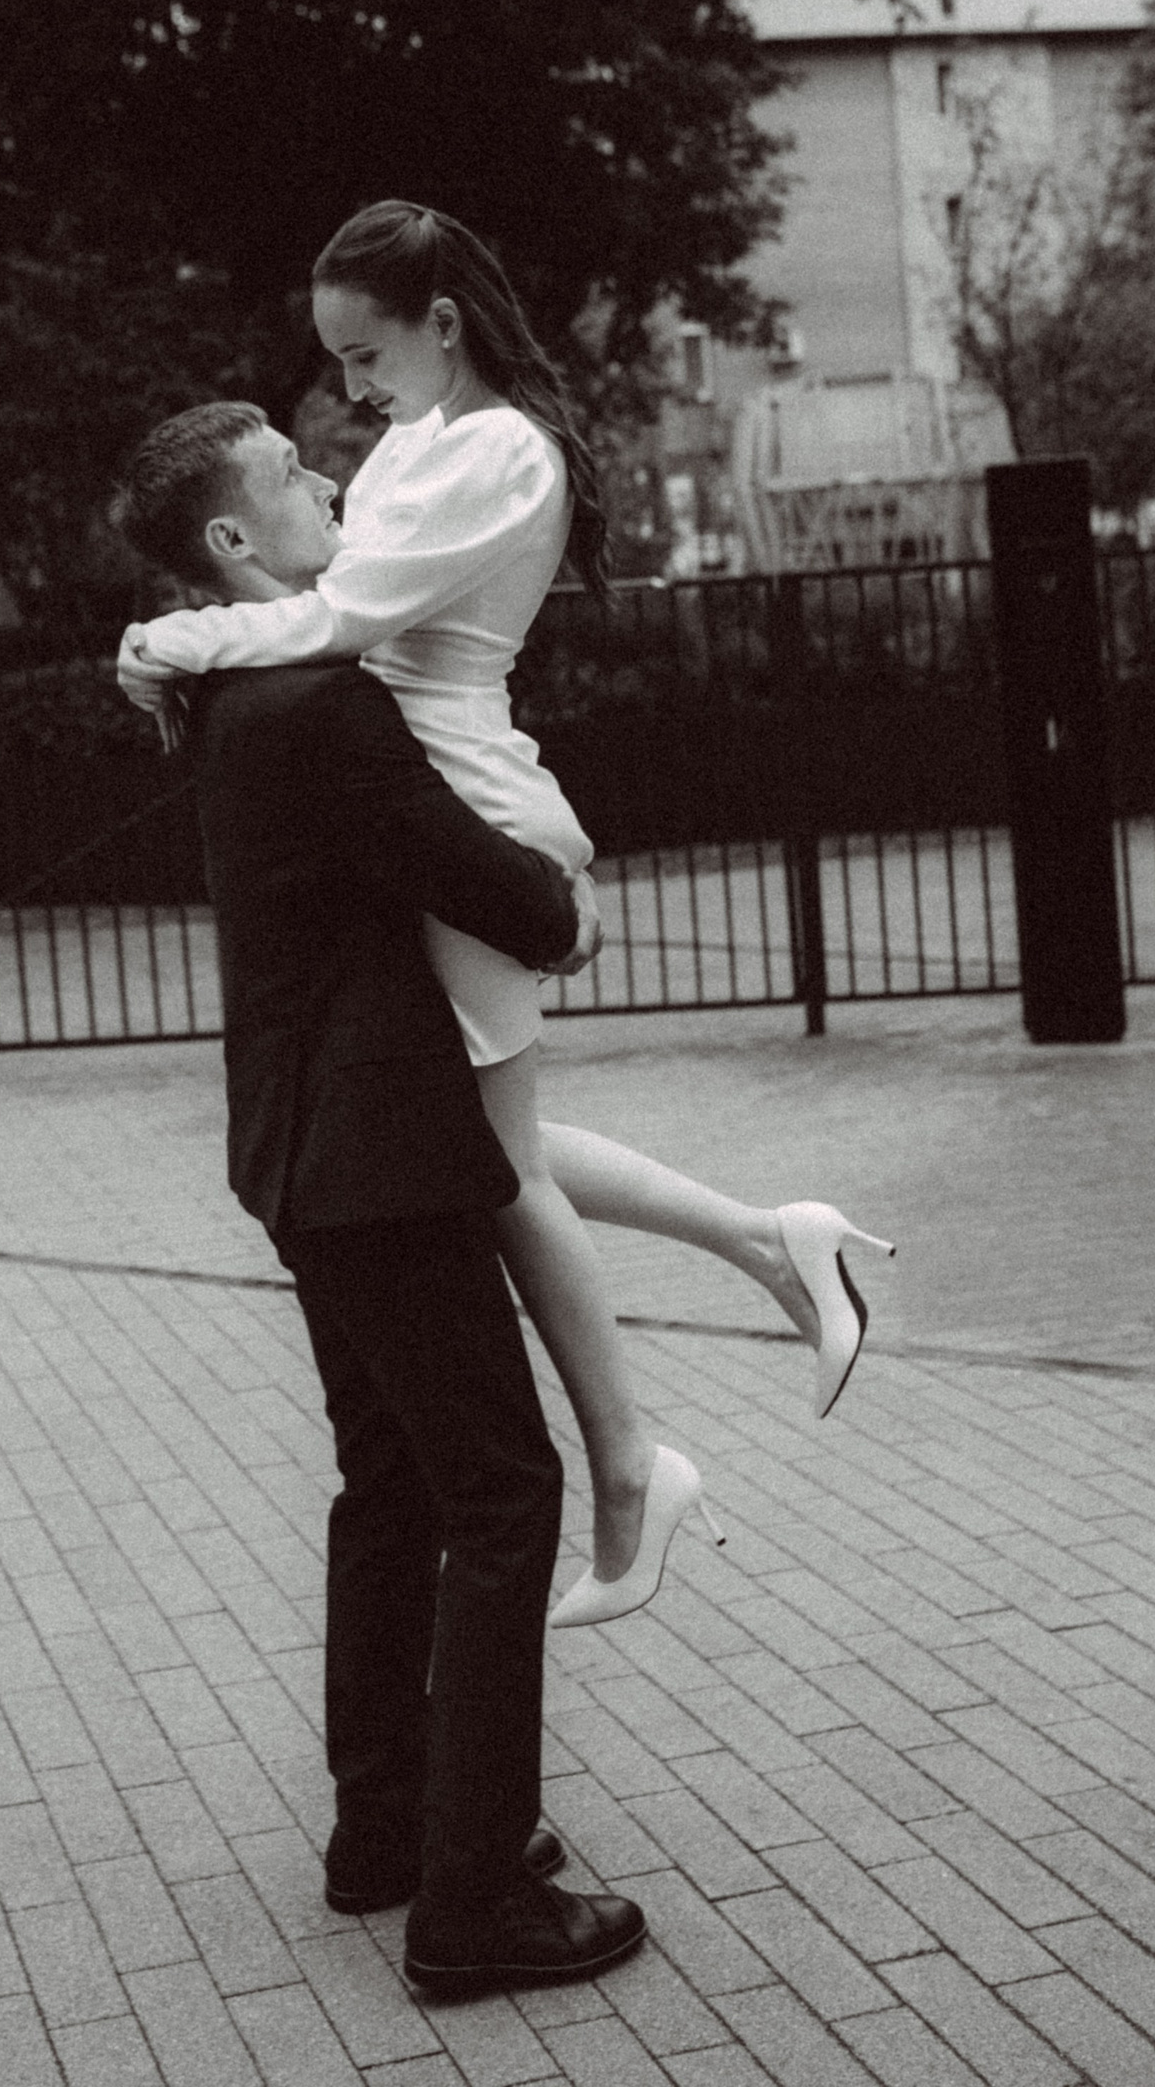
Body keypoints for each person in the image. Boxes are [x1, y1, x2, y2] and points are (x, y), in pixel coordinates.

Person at [119, 202, 894, 1623]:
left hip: (462, 793)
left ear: (441, 324)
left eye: (365, 355)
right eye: (336, 363)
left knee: (501, 1168)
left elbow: (341, 621)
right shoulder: (421, 443)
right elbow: (330, 604)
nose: (349, 391)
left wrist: (173, 634)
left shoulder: (498, 451)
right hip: (435, 784)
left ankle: (631, 1469)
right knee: (505, 1144)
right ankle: (768, 1246)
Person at [112, 399, 647, 1995]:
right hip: (384, 1159)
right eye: (291, 471)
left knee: (395, 1483)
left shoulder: (232, 687)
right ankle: (471, 1907)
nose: (329, 478)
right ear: (233, 538)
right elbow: (459, 866)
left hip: (307, 1155)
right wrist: (564, 915)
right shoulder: (317, 701)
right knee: (504, 1493)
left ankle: (386, 1829)